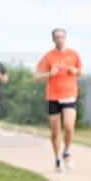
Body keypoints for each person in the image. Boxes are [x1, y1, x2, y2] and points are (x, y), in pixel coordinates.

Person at [35, 29, 83, 171]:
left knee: (69, 126)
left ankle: (67, 151)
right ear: (53, 39)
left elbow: (81, 71)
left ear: (65, 38)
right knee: (55, 131)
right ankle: (57, 159)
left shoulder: (73, 54)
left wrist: (75, 71)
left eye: (62, 37)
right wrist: (50, 73)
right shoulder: (48, 57)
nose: (59, 39)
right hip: (53, 97)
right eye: (56, 37)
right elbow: (36, 77)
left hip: (69, 95)